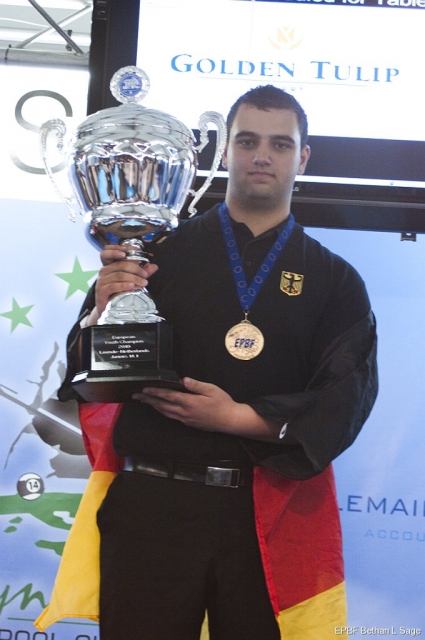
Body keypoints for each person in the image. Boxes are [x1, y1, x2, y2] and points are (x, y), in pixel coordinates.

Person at [54, 85, 378, 639]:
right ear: (224, 151)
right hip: (152, 507)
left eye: (280, 144)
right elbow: (84, 376)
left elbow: (345, 399)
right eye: (247, 141)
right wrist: (102, 312)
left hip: (264, 515)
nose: (262, 156)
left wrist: (237, 418)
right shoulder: (153, 254)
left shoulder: (335, 280)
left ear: (302, 158)